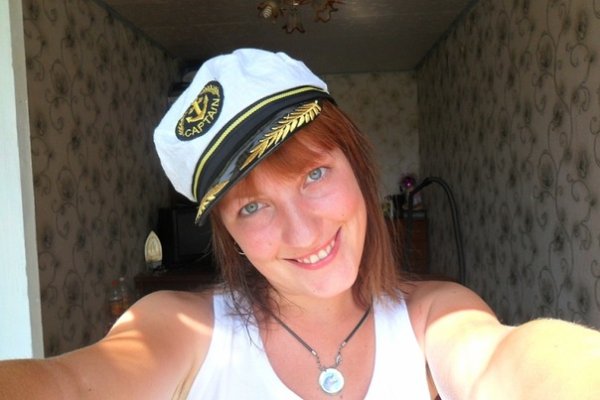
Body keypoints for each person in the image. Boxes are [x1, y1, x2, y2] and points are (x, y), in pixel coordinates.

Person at [1, 48, 599, 400]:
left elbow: (502, 362)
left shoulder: (435, 314)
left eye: (314, 174)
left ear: (357, 165)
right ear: (229, 234)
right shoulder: (181, 328)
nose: (303, 232)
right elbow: (74, 385)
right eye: (252, 206)